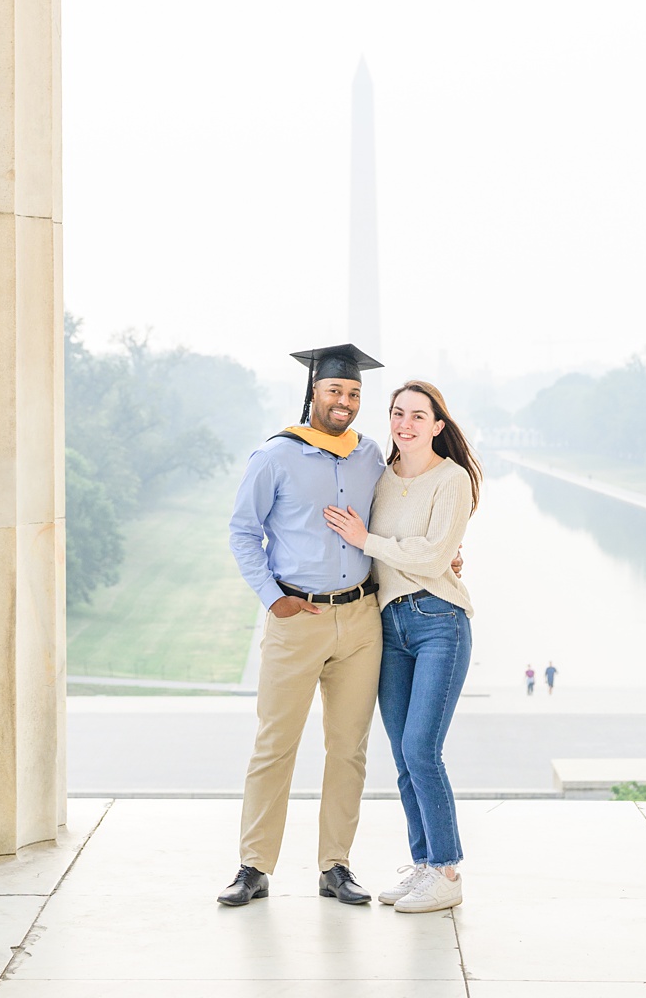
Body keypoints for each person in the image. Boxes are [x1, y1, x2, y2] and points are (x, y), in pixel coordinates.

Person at [219, 344, 388, 908]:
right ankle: (254, 866)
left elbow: (391, 519)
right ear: (314, 392)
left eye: (354, 394)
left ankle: (335, 865)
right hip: (298, 618)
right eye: (336, 391)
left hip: (361, 621)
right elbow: (244, 531)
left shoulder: (369, 456)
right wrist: (273, 598)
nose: (345, 402)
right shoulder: (275, 456)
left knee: (349, 749)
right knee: (275, 745)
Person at [323, 379, 481, 913]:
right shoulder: (381, 478)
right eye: (397, 413)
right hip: (389, 625)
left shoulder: (452, 479)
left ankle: (447, 869)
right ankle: (423, 866)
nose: (405, 423)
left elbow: (435, 556)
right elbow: (398, 552)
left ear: (438, 426)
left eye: (418, 415)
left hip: (440, 621)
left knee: (421, 749)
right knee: (402, 755)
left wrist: (366, 539)